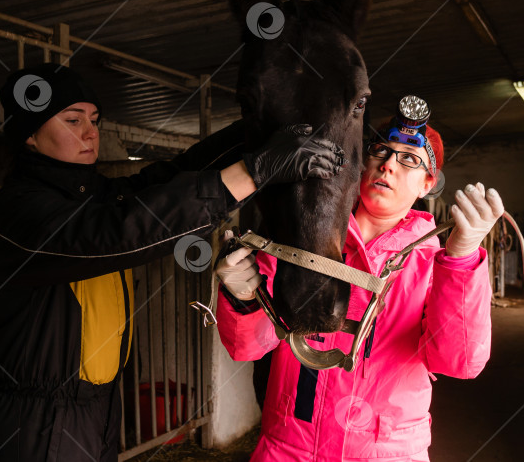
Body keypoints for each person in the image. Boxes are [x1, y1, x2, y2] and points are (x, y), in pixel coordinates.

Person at [0, 63, 346, 462]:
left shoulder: (92, 196)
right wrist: (253, 172)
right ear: (29, 134)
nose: (90, 132)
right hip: (33, 424)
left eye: (94, 119)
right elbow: (122, 231)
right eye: (72, 120)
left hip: (97, 409)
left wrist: (256, 131)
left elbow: (169, 177)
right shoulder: (15, 215)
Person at [215, 96, 504, 462]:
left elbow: (459, 363)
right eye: (380, 152)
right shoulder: (304, 240)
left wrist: (461, 260)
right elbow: (248, 347)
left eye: (410, 159)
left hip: (386, 453)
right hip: (289, 448)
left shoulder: (436, 266)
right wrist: (242, 297)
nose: (388, 166)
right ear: (362, 162)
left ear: (428, 184)